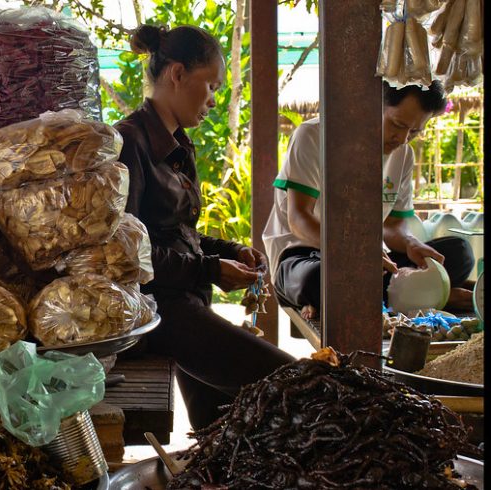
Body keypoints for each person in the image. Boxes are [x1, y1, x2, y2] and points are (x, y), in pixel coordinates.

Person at [115, 24, 295, 431]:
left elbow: (176, 232)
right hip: (160, 312)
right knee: (295, 380)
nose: (214, 100)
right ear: (177, 74)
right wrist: (210, 270)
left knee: (219, 431)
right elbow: (126, 255)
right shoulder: (129, 141)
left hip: (187, 302)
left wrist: (229, 252)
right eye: (211, 86)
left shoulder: (176, 142)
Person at [263, 80, 475, 321]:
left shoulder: (403, 154)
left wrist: (409, 243)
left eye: (415, 131)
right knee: (318, 280)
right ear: (371, 105)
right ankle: (427, 296)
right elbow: (299, 219)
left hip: (372, 263)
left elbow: (392, 226)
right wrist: (354, 251)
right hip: (305, 256)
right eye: (397, 124)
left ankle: (398, 295)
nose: (403, 139)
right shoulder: (314, 135)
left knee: (459, 253)